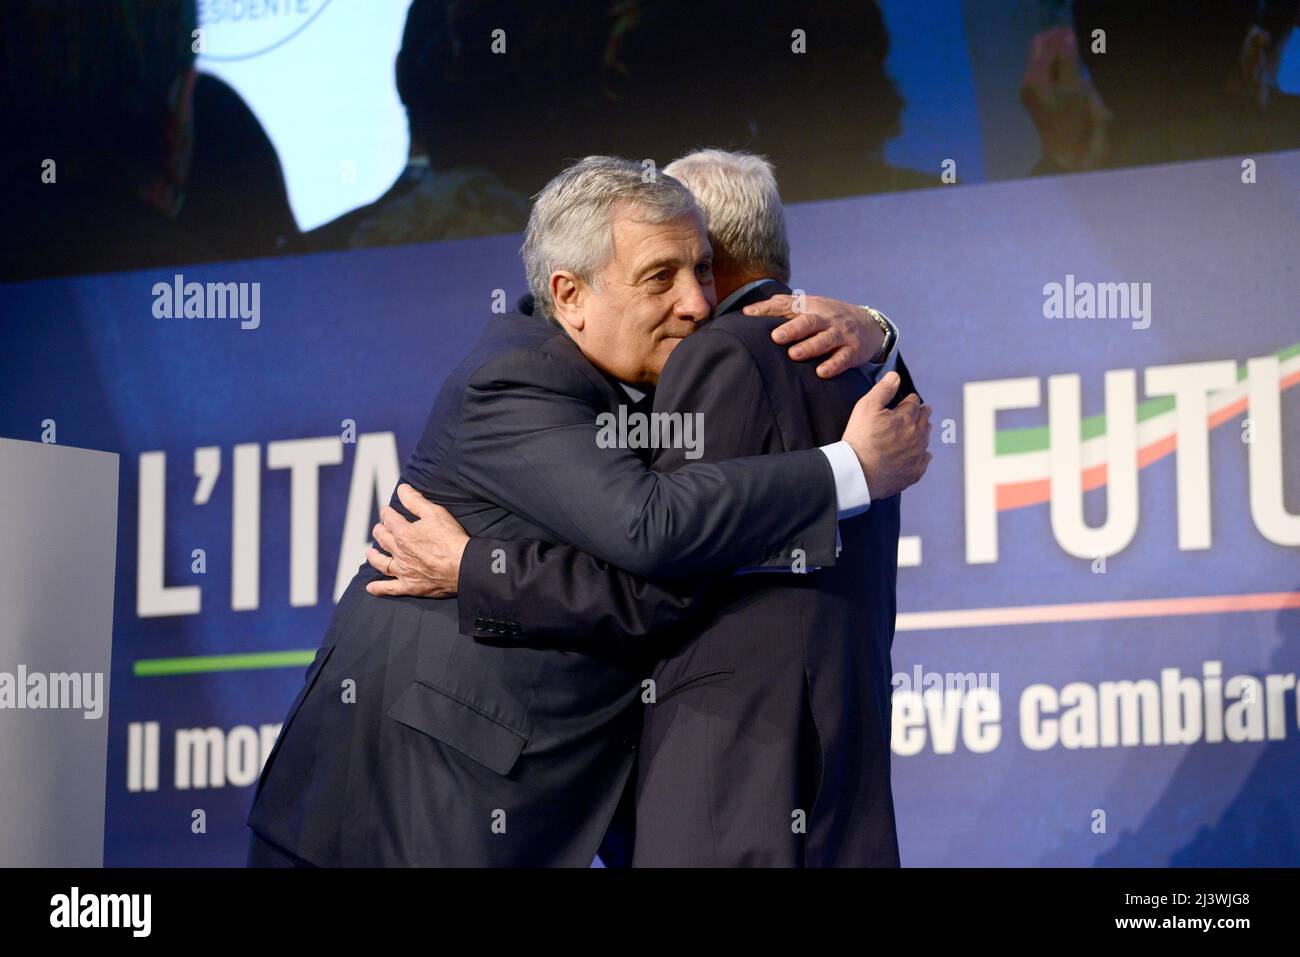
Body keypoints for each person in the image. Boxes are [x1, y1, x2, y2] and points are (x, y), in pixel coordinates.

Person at [246, 156, 930, 866]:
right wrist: (850, 469)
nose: (698, 303)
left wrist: (879, 331)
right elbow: (651, 528)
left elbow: (658, 574)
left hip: (512, 810)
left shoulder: (646, 387)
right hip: (395, 811)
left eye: (703, 270)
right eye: (660, 277)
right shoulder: (520, 378)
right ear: (569, 294)